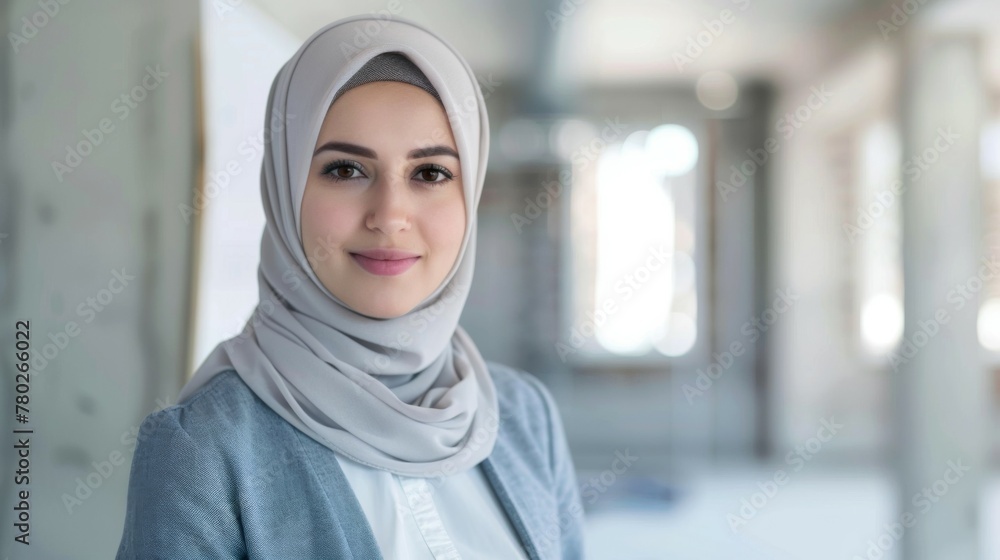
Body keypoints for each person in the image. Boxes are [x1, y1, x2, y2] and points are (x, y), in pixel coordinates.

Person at [115, 14, 585, 560]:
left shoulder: (525, 416)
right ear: (285, 190)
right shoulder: (201, 451)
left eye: (430, 173)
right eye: (345, 170)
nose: (389, 216)